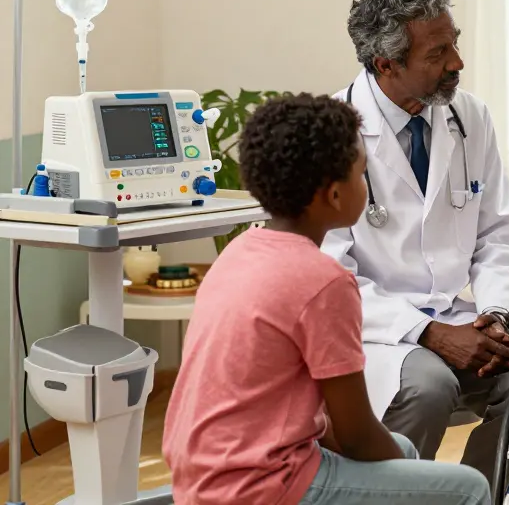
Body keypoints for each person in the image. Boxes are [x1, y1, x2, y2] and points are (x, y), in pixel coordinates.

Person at [162, 93, 491, 505]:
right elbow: (354, 433)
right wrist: (408, 480)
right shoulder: (323, 281)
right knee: (469, 489)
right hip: (263, 486)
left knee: (405, 454)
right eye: (362, 175)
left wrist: (405, 469)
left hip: (201, 473)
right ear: (335, 196)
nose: (366, 185)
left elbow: (328, 426)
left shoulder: (238, 253)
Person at [321, 0, 509, 485]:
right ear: (386, 64)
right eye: (438, 54)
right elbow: (328, 278)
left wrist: (495, 314)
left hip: (460, 317)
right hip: (378, 333)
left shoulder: (469, 117)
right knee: (428, 384)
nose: (457, 62)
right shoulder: (331, 131)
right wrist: (429, 333)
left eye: (454, 43)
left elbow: (499, 231)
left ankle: (480, 496)